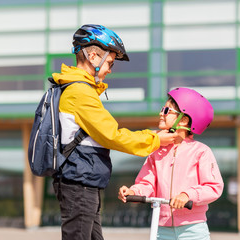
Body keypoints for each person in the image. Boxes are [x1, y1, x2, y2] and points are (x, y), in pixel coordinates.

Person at [51, 24, 178, 240]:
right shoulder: (80, 92)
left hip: (83, 183)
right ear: (93, 56)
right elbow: (113, 135)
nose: (110, 70)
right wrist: (155, 139)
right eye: (109, 63)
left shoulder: (80, 89)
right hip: (79, 185)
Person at [118, 87, 224, 240]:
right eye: (162, 109)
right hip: (161, 228)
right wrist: (133, 192)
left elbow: (213, 187)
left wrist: (187, 195)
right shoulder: (156, 151)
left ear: (184, 119)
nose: (161, 113)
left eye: (167, 110)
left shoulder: (201, 152)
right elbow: (147, 183)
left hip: (192, 229)